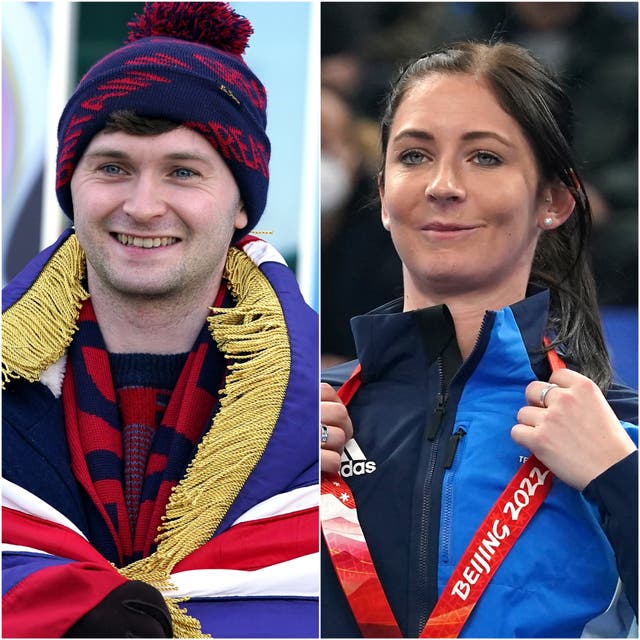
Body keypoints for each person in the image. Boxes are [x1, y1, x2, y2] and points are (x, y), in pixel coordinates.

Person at [2, 3, 318, 638]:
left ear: (240, 206)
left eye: (182, 172)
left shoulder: (328, 415)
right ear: (72, 189)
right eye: (113, 167)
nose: (143, 206)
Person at [320, 41, 637, 638]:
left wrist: (620, 479)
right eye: (414, 155)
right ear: (384, 194)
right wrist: (270, 491)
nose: (442, 185)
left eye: (485, 158)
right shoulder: (298, 423)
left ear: (554, 200)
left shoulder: (617, 434)